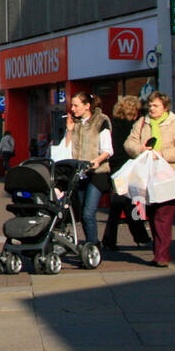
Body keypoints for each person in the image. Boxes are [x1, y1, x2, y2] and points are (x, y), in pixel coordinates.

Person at [122, 91, 175, 267]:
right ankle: (159, 253)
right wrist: (140, 149)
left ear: (165, 108)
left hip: (169, 177)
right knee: (152, 216)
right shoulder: (142, 123)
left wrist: (163, 154)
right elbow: (128, 143)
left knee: (163, 216)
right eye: (150, 105)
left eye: (156, 106)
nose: (151, 108)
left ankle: (162, 256)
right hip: (147, 177)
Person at [63, 92, 113, 247]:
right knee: (82, 214)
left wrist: (97, 160)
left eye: (76, 105)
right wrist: (70, 130)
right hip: (80, 174)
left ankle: (93, 245)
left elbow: (108, 149)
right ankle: (92, 244)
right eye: (72, 105)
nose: (73, 108)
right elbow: (66, 148)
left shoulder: (101, 121)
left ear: (87, 106)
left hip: (97, 173)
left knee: (88, 212)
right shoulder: (75, 123)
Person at [103, 95, 150, 249]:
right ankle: (140, 236)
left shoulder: (113, 125)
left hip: (116, 170)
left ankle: (111, 239)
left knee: (118, 204)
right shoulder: (135, 127)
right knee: (132, 203)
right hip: (130, 169)